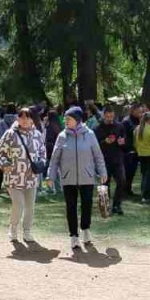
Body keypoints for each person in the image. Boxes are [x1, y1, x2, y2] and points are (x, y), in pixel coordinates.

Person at [48, 106, 107, 250]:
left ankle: (85, 230)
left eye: (68, 119)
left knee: (86, 205)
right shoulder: (62, 136)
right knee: (71, 207)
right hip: (68, 178)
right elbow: (55, 158)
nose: (65, 121)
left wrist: (103, 172)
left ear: (77, 120)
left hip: (87, 177)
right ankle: (74, 236)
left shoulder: (90, 134)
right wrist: (51, 176)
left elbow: (98, 156)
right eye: (65, 119)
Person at [0, 107, 47, 242]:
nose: (24, 120)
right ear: (17, 119)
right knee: (18, 204)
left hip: (31, 177)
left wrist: (41, 162)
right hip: (14, 177)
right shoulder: (10, 134)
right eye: (21, 117)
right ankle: (13, 228)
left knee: (30, 207)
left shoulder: (37, 134)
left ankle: (27, 231)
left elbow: (43, 152)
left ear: (32, 119)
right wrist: (5, 165)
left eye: (27, 117)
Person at [93, 105, 128, 216]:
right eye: (107, 117)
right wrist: (105, 142)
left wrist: (122, 142)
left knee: (122, 181)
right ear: (103, 116)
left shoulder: (120, 126)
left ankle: (117, 205)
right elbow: (94, 146)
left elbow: (125, 142)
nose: (109, 119)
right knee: (104, 184)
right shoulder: (97, 129)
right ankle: (104, 207)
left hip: (117, 159)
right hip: (103, 160)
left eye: (111, 116)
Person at [133, 111, 150, 203]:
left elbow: (135, 143)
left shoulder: (137, 128)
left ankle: (144, 194)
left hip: (141, 154)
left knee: (144, 175)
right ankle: (149, 195)